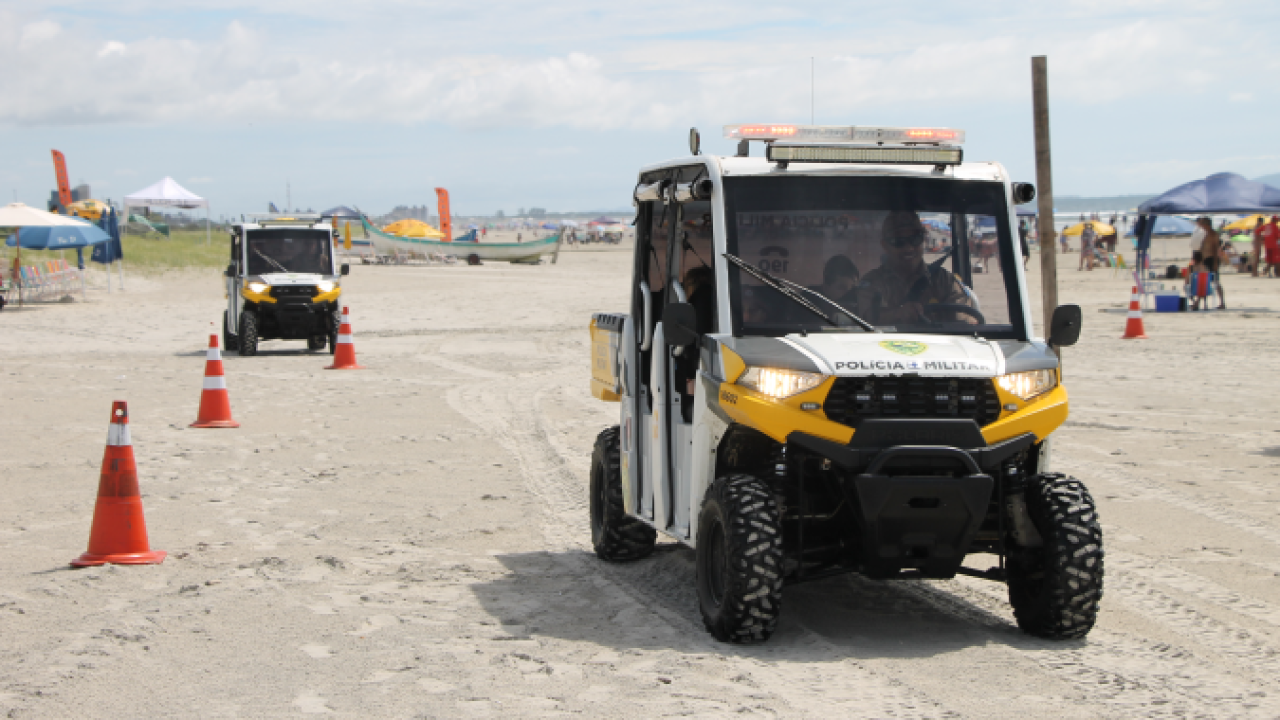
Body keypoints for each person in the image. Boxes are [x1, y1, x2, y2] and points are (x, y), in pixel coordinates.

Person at [857, 211, 976, 325]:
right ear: (885, 245)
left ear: (923, 240)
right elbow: (865, 318)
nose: (909, 248)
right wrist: (898, 314)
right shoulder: (873, 282)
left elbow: (966, 320)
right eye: (899, 241)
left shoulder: (945, 281)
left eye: (915, 239)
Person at [1195, 217, 1225, 309]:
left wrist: (1215, 263)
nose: (1201, 226)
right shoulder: (1203, 234)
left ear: (1207, 224)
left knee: (1215, 282)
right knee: (1203, 281)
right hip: (1205, 260)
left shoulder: (1213, 234)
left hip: (1212, 259)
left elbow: (1216, 250)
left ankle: (1222, 303)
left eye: (1203, 224)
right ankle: (1199, 303)